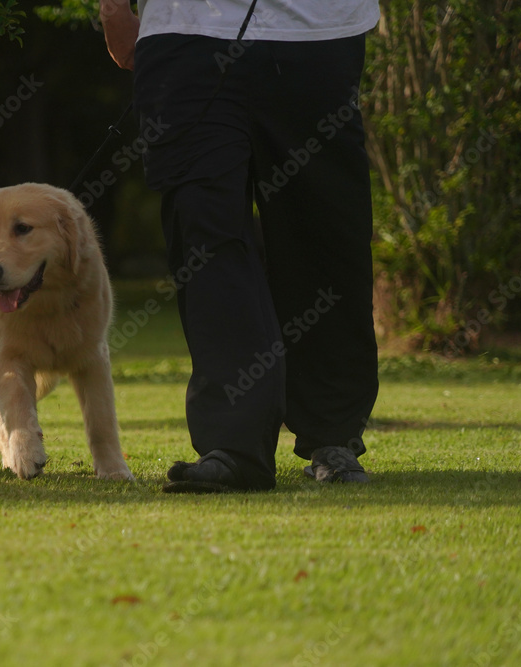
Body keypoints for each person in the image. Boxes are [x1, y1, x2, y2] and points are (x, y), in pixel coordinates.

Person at [99, 0, 381, 492]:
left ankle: (331, 434)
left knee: (324, 234)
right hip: (185, 33)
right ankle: (233, 446)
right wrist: (112, 8)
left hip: (319, 34)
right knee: (205, 237)